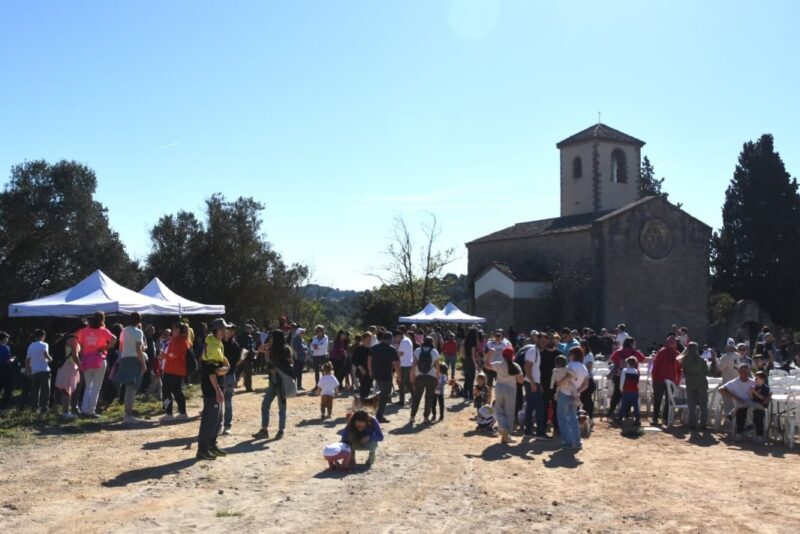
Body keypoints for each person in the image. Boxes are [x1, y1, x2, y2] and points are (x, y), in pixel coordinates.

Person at [196, 318, 230, 460]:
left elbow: (221, 362)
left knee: (217, 419)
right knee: (209, 419)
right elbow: (211, 372)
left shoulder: (217, 343)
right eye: (224, 329)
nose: (226, 331)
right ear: (219, 330)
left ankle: (211, 445)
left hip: (216, 386)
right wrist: (217, 390)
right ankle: (202, 450)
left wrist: (226, 366)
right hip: (211, 388)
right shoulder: (212, 347)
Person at [252, 330, 295, 440]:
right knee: (265, 405)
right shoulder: (271, 349)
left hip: (282, 382)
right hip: (273, 382)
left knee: (282, 407)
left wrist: (278, 368)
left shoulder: (285, 349)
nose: (270, 339)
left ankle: (281, 430)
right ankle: (264, 430)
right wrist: (270, 344)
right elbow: (260, 349)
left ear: (277, 338)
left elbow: (290, 364)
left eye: (272, 338)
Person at [76, 312, 117, 417]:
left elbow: (80, 344)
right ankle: (91, 411)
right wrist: (106, 348)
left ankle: (84, 409)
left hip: (87, 360)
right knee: (96, 387)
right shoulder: (103, 331)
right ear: (102, 319)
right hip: (99, 359)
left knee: (87, 386)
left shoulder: (85, 331)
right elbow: (115, 339)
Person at [113, 312, 148, 425]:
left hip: (124, 358)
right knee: (132, 388)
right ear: (139, 321)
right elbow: (139, 349)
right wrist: (143, 364)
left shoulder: (123, 330)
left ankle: (127, 413)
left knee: (128, 387)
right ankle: (128, 414)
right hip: (134, 359)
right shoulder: (138, 332)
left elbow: (121, 346)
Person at [720, 363, 765, 443]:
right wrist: (735, 397)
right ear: (739, 372)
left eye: (747, 372)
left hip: (752, 404)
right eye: (743, 372)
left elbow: (763, 390)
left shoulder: (753, 382)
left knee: (759, 412)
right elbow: (721, 389)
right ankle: (739, 434)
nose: (746, 374)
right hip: (741, 404)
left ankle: (759, 436)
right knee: (741, 410)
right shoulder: (734, 382)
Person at [487, 347, 523, 444]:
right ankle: (506, 434)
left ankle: (504, 430)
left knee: (499, 410)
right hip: (511, 389)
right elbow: (520, 380)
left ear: (503, 355)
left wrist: (490, 354)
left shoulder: (499, 364)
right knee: (509, 412)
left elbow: (486, 365)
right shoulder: (516, 366)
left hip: (499, 388)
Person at [556, 348, 589, 450]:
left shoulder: (570, 365)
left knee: (562, 419)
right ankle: (577, 442)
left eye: (569, 354)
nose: (568, 356)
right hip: (575, 396)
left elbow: (567, 378)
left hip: (565, 393)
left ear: (573, 355)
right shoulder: (584, 367)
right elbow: (585, 384)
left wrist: (559, 383)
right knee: (573, 419)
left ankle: (568, 442)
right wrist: (577, 391)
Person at [608, 337, 647, 417]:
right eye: (634, 343)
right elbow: (643, 360)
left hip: (619, 375)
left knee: (616, 394)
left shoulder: (618, 352)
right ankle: (626, 412)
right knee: (629, 394)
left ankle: (611, 411)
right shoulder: (635, 353)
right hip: (632, 376)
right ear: (631, 344)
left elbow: (611, 360)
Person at [160, 323, 191, 421]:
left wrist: (163, 356)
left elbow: (174, 355)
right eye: (173, 328)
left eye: (175, 329)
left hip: (174, 370)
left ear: (180, 330)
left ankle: (169, 413)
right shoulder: (177, 340)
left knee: (167, 391)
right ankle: (181, 412)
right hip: (174, 370)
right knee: (176, 392)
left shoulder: (180, 341)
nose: (173, 330)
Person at [368, 331, 400, 423]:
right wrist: (399, 376)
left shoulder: (373, 348)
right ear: (390, 339)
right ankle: (379, 415)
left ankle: (376, 407)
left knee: (382, 392)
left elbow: (369, 360)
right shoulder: (392, 349)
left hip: (376, 374)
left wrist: (370, 371)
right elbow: (396, 364)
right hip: (386, 375)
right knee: (385, 395)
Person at [650, 335, 682, 426]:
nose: (672, 344)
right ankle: (655, 418)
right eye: (670, 342)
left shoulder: (677, 354)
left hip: (671, 381)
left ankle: (665, 419)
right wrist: (653, 378)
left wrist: (677, 381)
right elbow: (655, 366)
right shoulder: (661, 352)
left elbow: (679, 370)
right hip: (659, 379)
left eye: (674, 342)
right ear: (667, 342)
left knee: (669, 400)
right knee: (657, 399)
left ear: (676, 343)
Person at [522, 331, 548, 439]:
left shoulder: (535, 351)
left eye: (545, 341)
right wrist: (533, 383)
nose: (543, 343)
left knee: (530, 407)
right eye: (542, 340)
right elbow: (527, 367)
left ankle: (528, 431)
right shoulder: (533, 351)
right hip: (531, 382)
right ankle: (540, 433)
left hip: (533, 382)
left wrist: (538, 384)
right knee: (539, 407)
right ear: (537, 339)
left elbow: (534, 370)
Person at [409, 337, 440, 425]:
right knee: (429, 398)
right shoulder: (435, 352)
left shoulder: (417, 351)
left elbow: (413, 366)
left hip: (420, 377)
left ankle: (412, 416)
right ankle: (426, 417)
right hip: (432, 377)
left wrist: (412, 377)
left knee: (417, 397)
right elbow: (437, 367)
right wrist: (438, 378)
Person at [679, 342, 709, 430]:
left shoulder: (684, 360)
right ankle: (703, 424)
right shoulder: (701, 360)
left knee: (691, 405)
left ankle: (692, 423)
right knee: (703, 405)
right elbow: (706, 372)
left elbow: (683, 371)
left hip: (690, 384)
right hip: (701, 384)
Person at [53, 327, 81, 420]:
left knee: (65, 390)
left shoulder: (66, 338)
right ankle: (66, 413)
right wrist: (80, 366)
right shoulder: (73, 338)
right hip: (69, 366)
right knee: (66, 390)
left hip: (64, 366)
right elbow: (75, 355)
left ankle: (65, 412)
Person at [221, 324, 241, 435]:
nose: (227, 332)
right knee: (218, 402)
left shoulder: (235, 345)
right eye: (226, 330)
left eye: (229, 330)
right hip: (219, 376)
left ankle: (227, 425)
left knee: (227, 402)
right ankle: (218, 424)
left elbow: (236, 362)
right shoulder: (218, 344)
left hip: (229, 376)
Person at [26, 329, 52, 415]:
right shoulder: (45, 344)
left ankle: (34, 408)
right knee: (45, 390)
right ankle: (44, 408)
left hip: (34, 371)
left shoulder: (31, 346)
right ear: (42, 336)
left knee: (35, 390)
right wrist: (51, 359)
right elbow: (45, 354)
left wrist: (28, 370)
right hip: (44, 370)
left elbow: (27, 360)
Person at [484, 330, 511, 405]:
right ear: (494, 336)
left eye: (499, 336)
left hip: (499, 367)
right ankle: (488, 402)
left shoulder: (505, 344)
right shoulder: (489, 344)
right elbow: (485, 354)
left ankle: (497, 402)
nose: (498, 337)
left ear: (501, 337)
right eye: (496, 336)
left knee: (499, 385)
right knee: (489, 385)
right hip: (490, 367)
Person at [615, 356, 641, 426]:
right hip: (635, 390)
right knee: (635, 405)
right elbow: (637, 381)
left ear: (628, 363)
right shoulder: (637, 371)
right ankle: (637, 419)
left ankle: (620, 418)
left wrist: (621, 388)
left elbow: (622, 381)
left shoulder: (624, 370)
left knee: (624, 405)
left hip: (626, 390)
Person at [395, 330, 415, 406]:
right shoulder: (408, 339)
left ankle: (402, 401)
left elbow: (400, 353)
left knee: (401, 383)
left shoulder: (403, 342)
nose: (395, 339)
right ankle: (414, 397)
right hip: (408, 363)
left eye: (395, 337)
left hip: (404, 365)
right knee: (407, 382)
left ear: (398, 335)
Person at [352, 332, 373, 401]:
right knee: (363, 385)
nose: (369, 341)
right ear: (363, 340)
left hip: (370, 370)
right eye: (367, 340)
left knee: (368, 386)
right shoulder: (358, 349)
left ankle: (364, 401)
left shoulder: (372, 349)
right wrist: (361, 368)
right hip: (361, 370)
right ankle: (362, 401)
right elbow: (355, 360)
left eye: (370, 340)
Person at [462, 328, 478, 402]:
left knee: (466, 379)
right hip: (471, 361)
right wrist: (475, 364)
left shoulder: (465, 342)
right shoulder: (473, 343)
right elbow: (473, 354)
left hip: (466, 361)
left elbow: (461, 351)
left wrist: (465, 359)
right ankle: (471, 397)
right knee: (471, 380)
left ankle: (465, 395)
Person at [0, 332, 14, 410]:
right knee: (9, 388)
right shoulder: (5, 347)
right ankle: (3, 405)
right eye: (7, 338)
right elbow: (7, 360)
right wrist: (13, 359)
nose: (8, 340)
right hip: (4, 369)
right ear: (3, 339)